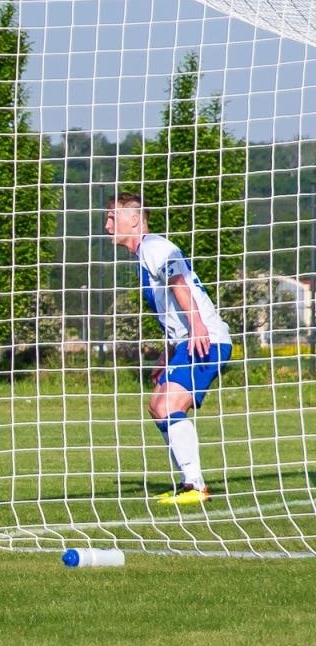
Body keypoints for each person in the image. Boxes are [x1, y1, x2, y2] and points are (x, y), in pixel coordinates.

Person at [105, 191, 233, 504]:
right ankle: (188, 482)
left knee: (166, 406)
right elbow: (171, 303)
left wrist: (198, 327)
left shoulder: (154, 246)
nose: (107, 226)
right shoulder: (144, 255)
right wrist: (169, 352)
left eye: (112, 218)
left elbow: (178, 282)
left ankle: (195, 486)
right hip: (190, 340)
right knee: (156, 406)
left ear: (133, 219)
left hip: (206, 340)